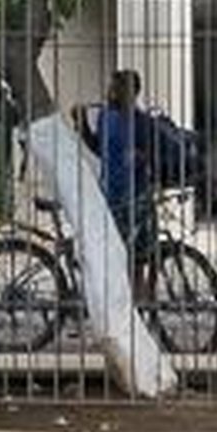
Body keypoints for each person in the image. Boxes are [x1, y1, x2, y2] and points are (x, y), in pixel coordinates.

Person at [92, 69, 162, 302]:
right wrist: (82, 127)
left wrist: (140, 158)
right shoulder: (105, 116)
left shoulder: (140, 122)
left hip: (137, 196)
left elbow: (152, 155)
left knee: (141, 255)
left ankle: (142, 301)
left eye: (117, 88)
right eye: (111, 87)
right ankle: (127, 303)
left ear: (131, 93)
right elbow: (99, 149)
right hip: (112, 197)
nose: (111, 92)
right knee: (119, 256)